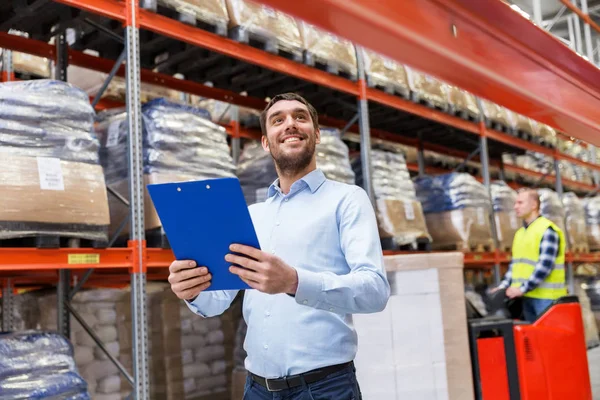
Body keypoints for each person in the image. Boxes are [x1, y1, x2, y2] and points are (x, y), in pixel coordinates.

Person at [168, 93, 390, 399]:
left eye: (300, 117)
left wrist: (294, 282)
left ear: (317, 134)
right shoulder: (251, 215)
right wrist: (193, 290)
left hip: (324, 388)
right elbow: (218, 300)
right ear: (265, 142)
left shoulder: (347, 199)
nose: (290, 125)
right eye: (278, 120)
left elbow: (375, 290)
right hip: (257, 388)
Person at [492, 188, 567, 322]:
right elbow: (515, 266)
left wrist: (522, 289)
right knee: (533, 341)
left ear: (534, 205)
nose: (515, 207)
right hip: (527, 296)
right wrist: (503, 286)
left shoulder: (547, 230)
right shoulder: (520, 233)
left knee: (548, 339)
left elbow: (545, 267)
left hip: (546, 299)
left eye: (520, 203)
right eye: (515, 203)